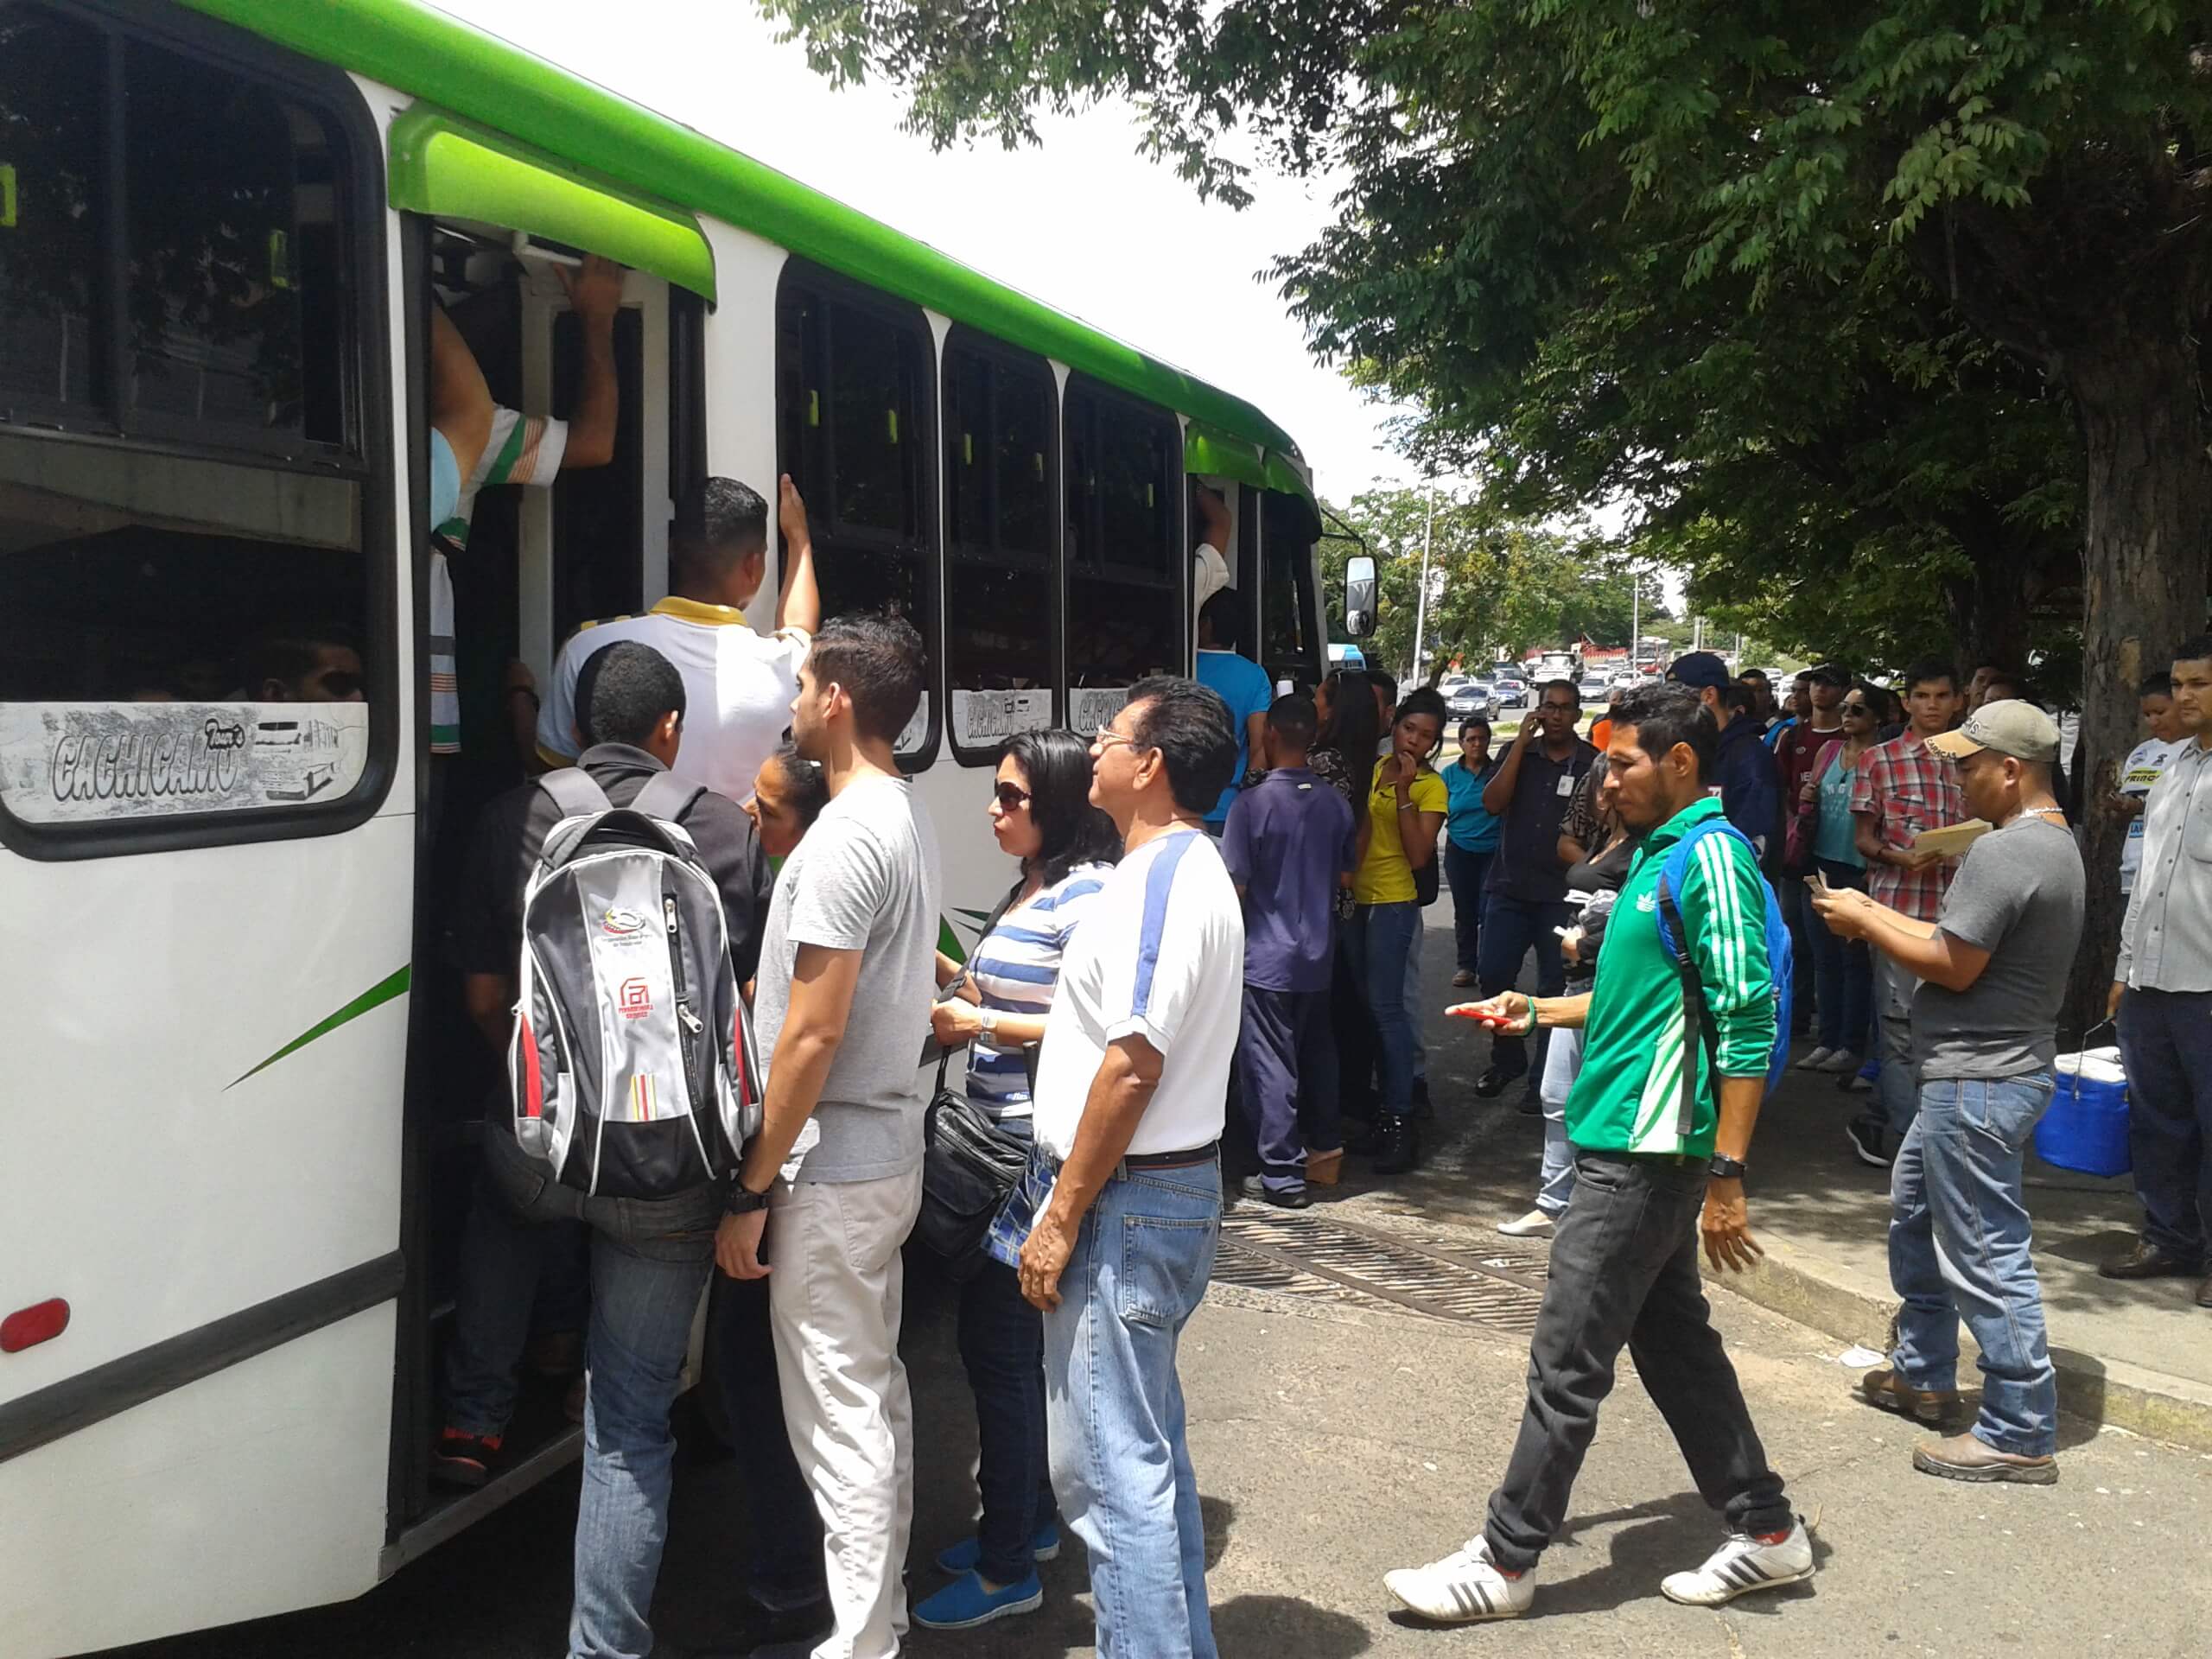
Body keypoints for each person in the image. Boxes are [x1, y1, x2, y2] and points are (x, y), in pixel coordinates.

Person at [1393, 683, 1811, 1623]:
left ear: (1680, 764)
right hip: (1624, 1137)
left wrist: (1728, 1176)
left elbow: (1748, 1022)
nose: (1603, 782)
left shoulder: (1711, 861)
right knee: (1678, 1352)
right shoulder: (1663, 855)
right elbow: (1645, 999)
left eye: (1620, 764)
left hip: (1649, 1150)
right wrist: (1536, 1008)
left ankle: (1505, 1561)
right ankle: (1768, 1531)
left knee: (1565, 1358)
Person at [440, 641, 777, 1659]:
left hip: (547, 1155)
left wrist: (552, 1094)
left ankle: (474, 1413)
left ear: (577, 726)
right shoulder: (725, 830)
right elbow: (747, 1008)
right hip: (671, 1177)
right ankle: (604, 1647)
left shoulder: (515, 819)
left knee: (505, 1190)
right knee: (628, 1422)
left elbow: (486, 1000)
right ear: (671, 731)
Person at [711, 613, 944, 1659]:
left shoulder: (846, 835)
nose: (794, 700)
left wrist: (754, 1185)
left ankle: (859, 1645)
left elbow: (812, 1034)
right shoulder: (899, 812)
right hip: (880, 1157)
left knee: (840, 1424)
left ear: (838, 699)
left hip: (830, 1173)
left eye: (804, 683)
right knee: (874, 1402)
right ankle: (877, 1619)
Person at [1017, 677, 1244, 1659]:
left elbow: (1132, 1061)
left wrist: (1062, 1215)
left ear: (1148, 766)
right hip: (1159, 1196)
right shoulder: (1173, 872)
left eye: (1109, 739)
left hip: (1127, 1203)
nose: (1095, 753)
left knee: (1111, 1482)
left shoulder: (1158, 882)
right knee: (1144, 1460)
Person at [1814, 700, 2082, 1483]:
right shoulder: (2047, 844)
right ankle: (1924, 1372)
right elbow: (1956, 947)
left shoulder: (2009, 853)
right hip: (1980, 1076)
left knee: (1988, 1254)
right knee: (1917, 1215)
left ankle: (2020, 1429)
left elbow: (1952, 963)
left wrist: (1864, 916)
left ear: (2012, 770)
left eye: (1967, 764)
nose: (1953, 777)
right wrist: (1875, 912)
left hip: (1979, 1079)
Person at [914, 729, 1119, 1631]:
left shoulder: (1087, 897)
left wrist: (978, 1025)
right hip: (998, 1147)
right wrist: (944, 972)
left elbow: (1101, 1033)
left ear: (1061, 807)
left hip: (1026, 1163)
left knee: (999, 1363)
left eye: (1011, 798)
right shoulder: (1030, 885)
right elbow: (1013, 995)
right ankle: (1026, 1523)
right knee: (998, 1358)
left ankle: (1009, 1571)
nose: (993, 811)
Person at [428, 258, 623, 760]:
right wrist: (598, 323)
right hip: (423, 712)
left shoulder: (453, 435)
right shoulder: (466, 432)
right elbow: (595, 442)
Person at [539, 475, 823, 803]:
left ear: (673, 549)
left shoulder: (589, 647)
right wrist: (799, 540)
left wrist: (519, 697)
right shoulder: (787, 666)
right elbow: (800, 626)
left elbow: (550, 767)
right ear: (754, 565)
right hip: (731, 851)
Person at [2103, 637, 2212, 1297]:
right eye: (2179, 684)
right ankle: (2170, 1238)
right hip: (2151, 981)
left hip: (2208, 985)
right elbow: (2148, 881)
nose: (2184, 697)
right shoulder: (2171, 768)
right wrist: (2123, 965)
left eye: (2199, 683)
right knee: (2157, 1117)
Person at [1225, 695, 1358, 1206]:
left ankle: (1281, 1174)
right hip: (1317, 951)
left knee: (1270, 1062)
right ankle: (1324, 1149)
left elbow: (1235, 885)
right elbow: (1347, 872)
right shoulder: (1334, 802)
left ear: (1270, 736)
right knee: (1317, 1050)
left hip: (1265, 955)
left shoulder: (1251, 804)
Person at [1497, 752, 1629, 1238]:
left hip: (1604, 985)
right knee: (1556, 1095)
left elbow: (1642, 924)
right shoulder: (1600, 839)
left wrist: (1586, 943)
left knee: (1591, 1101)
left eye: (1608, 783)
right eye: (1598, 784)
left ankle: (1587, 1210)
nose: (1601, 794)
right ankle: (1554, 1203)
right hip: (1578, 981)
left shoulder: (1642, 850)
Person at [1847, 659, 1967, 1168]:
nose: (1933, 706)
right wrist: (1901, 856)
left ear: (1958, 701)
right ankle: (1905, 1142)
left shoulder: (1973, 758)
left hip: (1962, 912)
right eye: (1922, 696)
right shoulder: (1879, 760)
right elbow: (1863, 840)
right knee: (1898, 1028)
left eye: (1942, 696)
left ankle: (1936, 1132)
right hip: (1897, 908)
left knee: (1951, 1030)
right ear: (1907, 702)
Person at [1473, 679, 1599, 1105]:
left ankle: (1541, 1081)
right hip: (1509, 886)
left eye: (1565, 708)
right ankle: (1507, 1057)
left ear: (1577, 714)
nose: (1556, 715)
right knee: (1491, 974)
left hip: (1560, 896)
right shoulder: (1518, 754)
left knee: (1552, 987)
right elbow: (1492, 804)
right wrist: (1520, 746)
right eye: (1549, 707)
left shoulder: (1592, 763)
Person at [1346, 688, 1449, 1173]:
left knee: (1390, 1011)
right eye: (1410, 729)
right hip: (1358, 899)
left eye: (1427, 736)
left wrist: (1405, 794)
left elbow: (1419, 856)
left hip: (1394, 903)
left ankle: (1401, 1120)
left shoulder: (1431, 787)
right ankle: (1380, 1110)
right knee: (1365, 1008)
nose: (1415, 741)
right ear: (1395, 726)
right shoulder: (1371, 770)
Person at [1794, 683, 1882, 1075]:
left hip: (1860, 869)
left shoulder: (1881, 759)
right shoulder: (1829, 751)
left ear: (1879, 717)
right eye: (1845, 707)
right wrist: (1807, 800)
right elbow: (1807, 805)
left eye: (1858, 710)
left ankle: (1851, 1044)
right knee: (1824, 959)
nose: (1847, 714)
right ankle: (1826, 1040)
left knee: (1854, 962)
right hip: (1818, 862)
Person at [1772, 664, 1848, 1034]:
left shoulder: (1851, 739)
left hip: (1836, 855)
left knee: (1831, 946)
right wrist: (1792, 830)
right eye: (1815, 682)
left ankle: (1833, 1028)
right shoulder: (1791, 736)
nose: (1820, 691)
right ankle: (1797, 1016)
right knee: (1794, 937)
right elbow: (1778, 788)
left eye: (1829, 684)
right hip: (1797, 855)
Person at [1666, 652, 1778, 851]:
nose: (1667, 702)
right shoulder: (1686, 752)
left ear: (1709, 695)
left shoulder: (1750, 757)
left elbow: (1757, 843)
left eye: (1676, 691)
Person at [1193, 588, 1274, 831]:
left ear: (1205, 624)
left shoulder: (1179, 666)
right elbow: (1259, 748)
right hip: (1227, 808)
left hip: (1177, 805)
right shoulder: (1255, 675)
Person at [1442, 717, 1504, 988]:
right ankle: (1466, 965)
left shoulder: (1499, 771)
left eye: (1481, 738)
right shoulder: (1449, 775)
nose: (1477, 744)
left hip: (1493, 852)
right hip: (1459, 851)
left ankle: (1491, 966)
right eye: (1471, 739)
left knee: (1488, 911)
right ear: (1461, 743)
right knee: (1464, 911)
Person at [2115, 671, 2186, 900]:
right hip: (2134, 870)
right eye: (2147, 714)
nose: (2153, 721)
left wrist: (2140, 806)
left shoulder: (2195, 751)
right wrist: (2119, 807)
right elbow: (2123, 821)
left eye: (2160, 712)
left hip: (2173, 874)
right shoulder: (2141, 753)